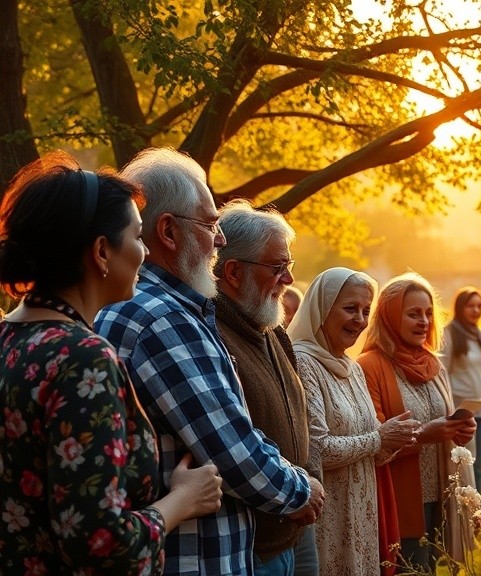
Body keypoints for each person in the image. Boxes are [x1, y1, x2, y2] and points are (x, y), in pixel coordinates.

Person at [95, 148, 324, 576]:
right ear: (168, 231)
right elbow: (231, 446)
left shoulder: (154, 308)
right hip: (193, 559)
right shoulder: (161, 318)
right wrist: (299, 490)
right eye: (211, 224)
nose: (220, 239)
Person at [0, 153, 222, 575]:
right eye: (138, 236)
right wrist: (182, 500)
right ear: (102, 251)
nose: (143, 252)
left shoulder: (9, 338)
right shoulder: (82, 359)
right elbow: (101, 544)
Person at [289, 268, 420, 576]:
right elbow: (317, 449)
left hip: (362, 511)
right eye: (350, 308)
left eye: (365, 311)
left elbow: (372, 440)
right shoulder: (303, 363)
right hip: (329, 513)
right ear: (322, 307)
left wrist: (395, 439)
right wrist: (379, 439)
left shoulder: (352, 367)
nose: (359, 320)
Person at [212, 200, 317, 576]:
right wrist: (295, 493)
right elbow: (231, 447)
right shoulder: (212, 338)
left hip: (296, 524)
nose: (288, 280)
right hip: (252, 547)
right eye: (277, 267)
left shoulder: (271, 329)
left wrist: (307, 484)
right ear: (234, 272)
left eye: (289, 266)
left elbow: (300, 416)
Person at [357, 273, 476, 574]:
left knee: (430, 568)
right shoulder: (369, 365)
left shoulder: (433, 364)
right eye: (413, 314)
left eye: (428, 313)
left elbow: (443, 418)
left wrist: (459, 429)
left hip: (440, 495)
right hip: (400, 499)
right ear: (389, 316)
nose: (424, 321)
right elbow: (375, 438)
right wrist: (426, 434)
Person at [441, 286, 481, 496]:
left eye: (479, 306)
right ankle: (462, 513)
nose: (476, 310)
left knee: (478, 467)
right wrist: (449, 409)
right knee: (464, 464)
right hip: (461, 410)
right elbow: (443, 375)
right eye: (470, 306)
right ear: (460, 307)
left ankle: (478, 515)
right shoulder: (448, 334)